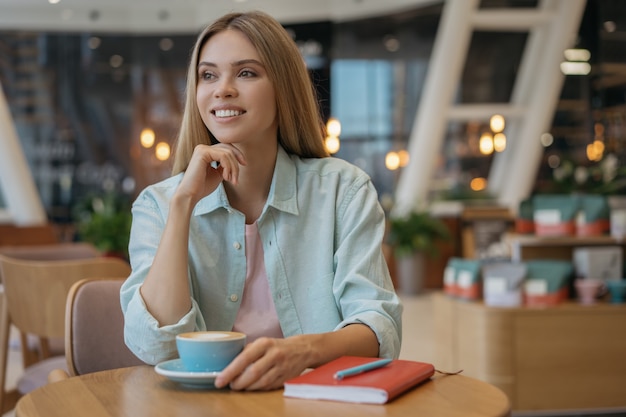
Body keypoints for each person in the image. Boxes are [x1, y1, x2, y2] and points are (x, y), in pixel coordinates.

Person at [120, 10, 402, 391]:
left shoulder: (343, 191)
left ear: (282, 87)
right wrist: (183, 204)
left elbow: (379, 327)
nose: (223, 89)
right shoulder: (160, 205)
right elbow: (157, 346)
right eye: (208, 75)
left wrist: (303, 352)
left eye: (246, 73)